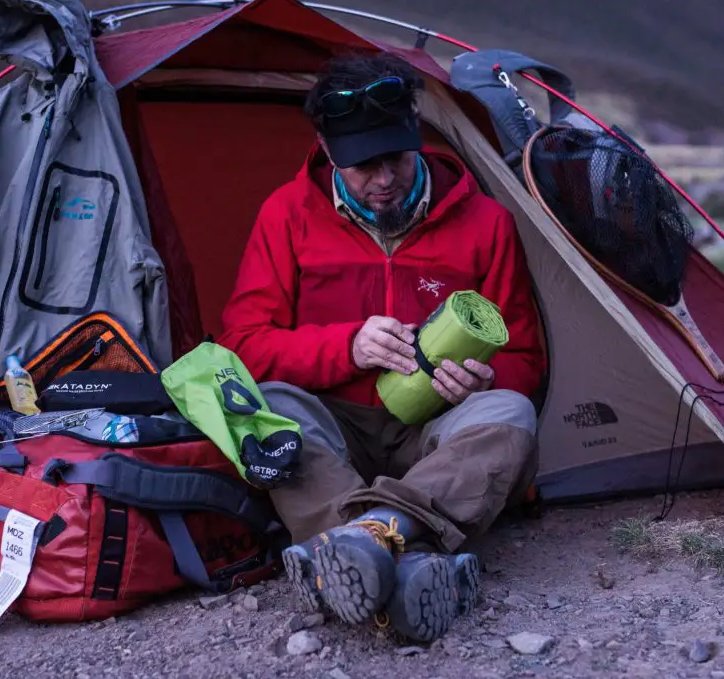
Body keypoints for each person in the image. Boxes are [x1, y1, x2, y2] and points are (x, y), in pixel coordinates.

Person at [218, 52, 545, 643]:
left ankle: (360, 546)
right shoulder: (286, 216)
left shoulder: (485, 223)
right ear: (326, 146)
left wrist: (484, 382)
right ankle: (411, 558)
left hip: (433, 432)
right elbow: (241, 348)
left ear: (414, 133)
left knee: (511, 414)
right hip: (333, 426)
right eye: (363, 165)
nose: (385, 177)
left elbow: (524, 357)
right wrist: (347, 346)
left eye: (395, 154)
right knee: (264, 413)